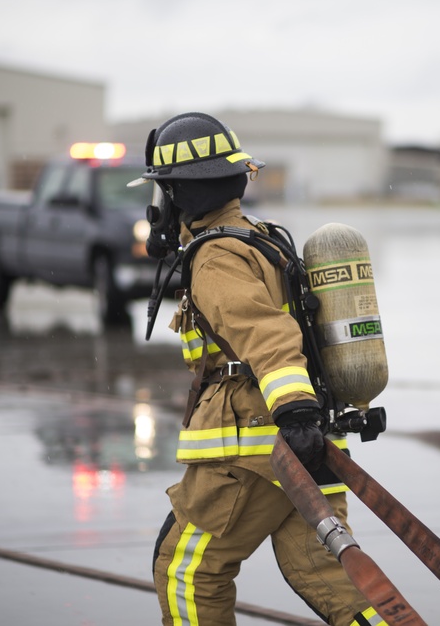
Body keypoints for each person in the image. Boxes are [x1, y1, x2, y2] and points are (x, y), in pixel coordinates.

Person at [139, 112, 384, 626]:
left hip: (254, 451)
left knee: (187, 572)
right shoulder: (263, 238)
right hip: (309, 443)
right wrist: (305, 422)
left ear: (179, 191)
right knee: (334, 583)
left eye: (165, 192)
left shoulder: (216, 257)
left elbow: (267, 336)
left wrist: (294, 413)